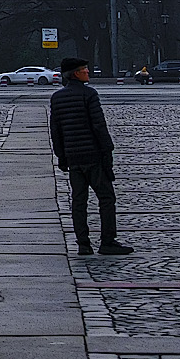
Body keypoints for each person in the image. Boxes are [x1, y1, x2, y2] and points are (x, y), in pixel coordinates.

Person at [49, 57, 132, 256]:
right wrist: (107, 152)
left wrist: (61, 156)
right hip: (93, 156)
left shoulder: (57, 98)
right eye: (84, 69)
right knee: (106, 198)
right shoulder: (89, 95)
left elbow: (56, 131)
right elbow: (99, 126)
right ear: (75, 74)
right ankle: (107, 241)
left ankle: (83, 244)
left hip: (73, 158)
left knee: (79, 202)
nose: (88, 72)